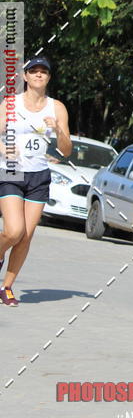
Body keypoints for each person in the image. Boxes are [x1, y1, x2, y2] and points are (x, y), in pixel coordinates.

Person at [0, 56, 72, 305]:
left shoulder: (57, 107)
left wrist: (59, 130)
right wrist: (3, 148)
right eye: (34, 71)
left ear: (49, 77)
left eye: (43, 72)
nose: (39, 75)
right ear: (25, 76)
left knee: (26, 236)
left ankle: (6, 287)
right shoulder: (11, 103)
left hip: (39, 175)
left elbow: (66, 150)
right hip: (11, 171)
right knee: (13, 231)